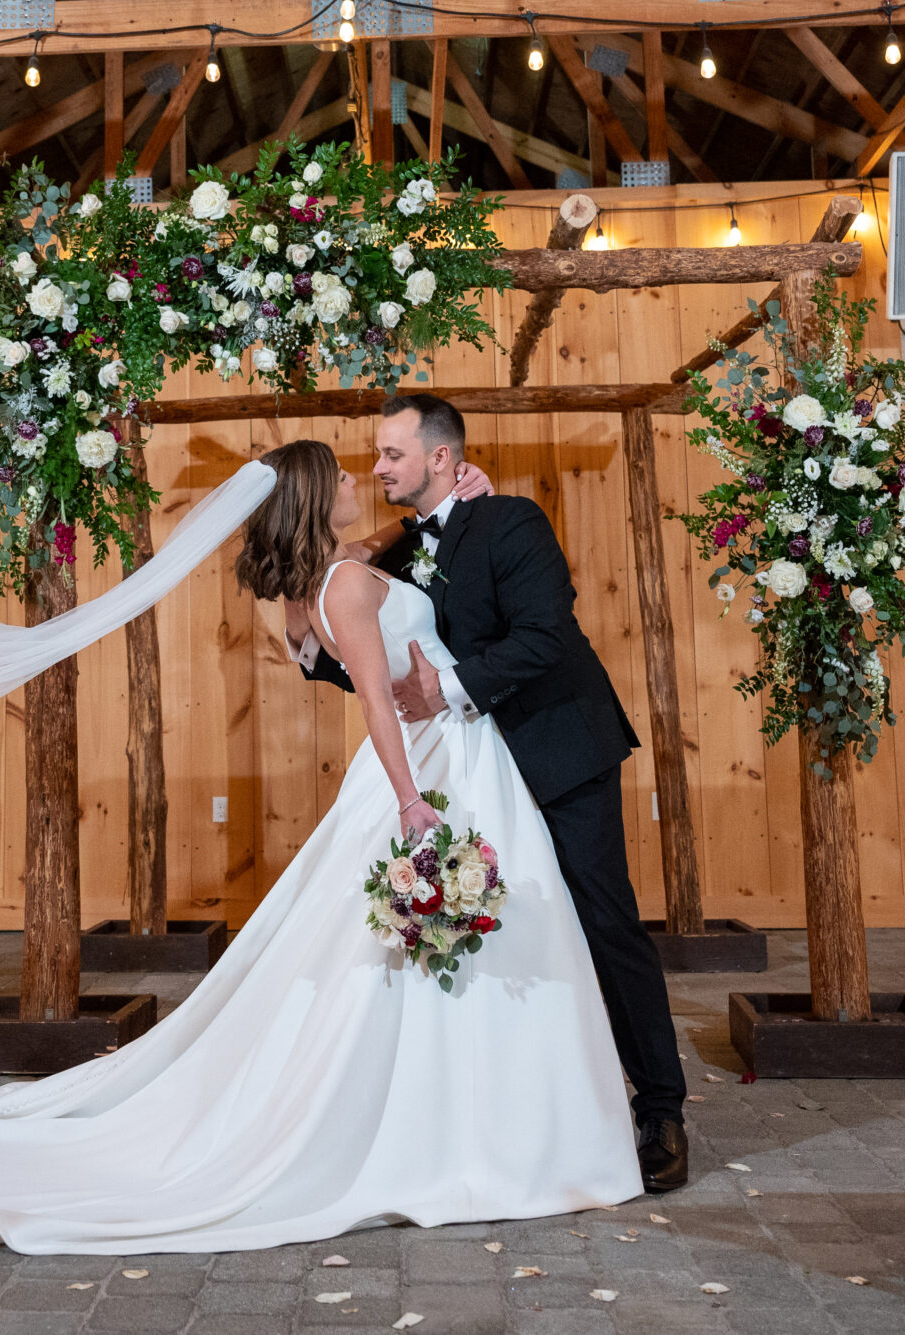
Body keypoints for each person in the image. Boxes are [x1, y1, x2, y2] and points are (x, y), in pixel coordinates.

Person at [0, 438, 642, 1252]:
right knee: (419, 954)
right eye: (342, 473)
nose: (357, 477)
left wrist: (440, 505)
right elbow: (378, 701)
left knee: (400, 957)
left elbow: (374, 582)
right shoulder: (347, 585)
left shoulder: (316, 589)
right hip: (424, 769)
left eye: (369, 464)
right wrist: (410, 800)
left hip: (452, 760)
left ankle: (463, 1112)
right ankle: (468, 1121)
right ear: (312, 501)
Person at [290, 394, 688, 1192]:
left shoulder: (511, 520)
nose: (378, 467)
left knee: (603, 917)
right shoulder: (402, 552)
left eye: (393, 454)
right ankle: (539, 1097)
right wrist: (310, 645)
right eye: (375, 455)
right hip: (474, 771)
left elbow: (546, 633)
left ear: (441, 457)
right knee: (517, 928)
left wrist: (453, 689)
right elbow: (383, 661)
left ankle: (662, 1106)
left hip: (557, 745)